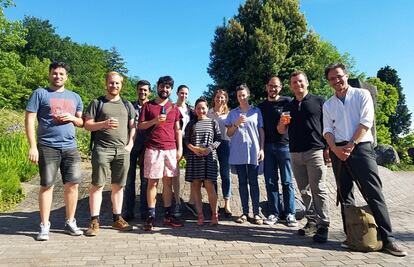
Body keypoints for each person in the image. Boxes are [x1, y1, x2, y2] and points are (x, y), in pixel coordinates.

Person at [323, 63, 407, 257]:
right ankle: (352, 236)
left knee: (373, 192)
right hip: (338, 150)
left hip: (361, 147)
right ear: (328, 82)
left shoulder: (362, 95)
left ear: (346, 75)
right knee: (344, 194)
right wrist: (335, 149)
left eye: (339, 76)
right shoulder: (328, 104)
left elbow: (366, 121)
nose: (336, 81)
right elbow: (327, 129)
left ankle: (388, 239)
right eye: (332, 79)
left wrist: (351, 144)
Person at [25, 61, 84, 241]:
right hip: (47, 146)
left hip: (70, 147)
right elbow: (29, 120)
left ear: (66, 76)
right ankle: (44, 226)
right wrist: (33, 146)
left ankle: (70, 222)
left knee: (73, 185)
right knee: (47, 185)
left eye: (61, 74)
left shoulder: (75, 97)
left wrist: (72, 118)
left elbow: (81, 123)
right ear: (49, 74)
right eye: (55, 73)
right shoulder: (40, 93)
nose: (58, 76)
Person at [277, 71, 330, 243]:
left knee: (318, 189)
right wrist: (282, 123)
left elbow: (328, 126)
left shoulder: (319, 101)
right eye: (294, 82)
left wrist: (328, 147)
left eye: (300, 81)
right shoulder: (289, 106)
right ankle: (312, 221)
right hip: (295, 152)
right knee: (305, 190)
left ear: (306, 83)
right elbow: (280, 131)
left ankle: (324, 225)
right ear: (291, 86)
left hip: (315, 151)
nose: (297, 84)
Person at [83, 71, 136, 236]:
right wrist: (104, 123)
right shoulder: (97, 103)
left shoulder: (127, 105)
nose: (114, 86)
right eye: (111, 83)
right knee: (97, 185)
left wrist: (130, 145)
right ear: (106, 83)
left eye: (117, 83)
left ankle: (117, 219)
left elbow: (133, 127)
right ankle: (94, 221)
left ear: (122, 85)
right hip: (102, 149)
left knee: (118, 186)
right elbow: (87, 125)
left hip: (122, 151)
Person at [139, 75, 183, 231]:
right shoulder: (148, 106)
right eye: (162, 86)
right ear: (157, 87)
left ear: (171, 89)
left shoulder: (175, 108)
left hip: (170, 149)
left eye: (168, 87)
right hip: (153, 148)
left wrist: (180, 148)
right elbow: (141, 126)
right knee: (152, 183)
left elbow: (177, 130)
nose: (165, 89)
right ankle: (151, 216)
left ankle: (167, 215)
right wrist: (155, 121)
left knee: (168, 183)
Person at [258, 76, 297, 227]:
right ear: (266, 87)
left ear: (280, 87)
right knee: (270, 181)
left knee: (287, 181)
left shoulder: (287, 102)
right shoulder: (261, 106)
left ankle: (290, 213)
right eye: (270, 86)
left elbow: (288, 124)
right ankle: (273, 213)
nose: (273, 89)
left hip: (284, 146)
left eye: (276, 86)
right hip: (267, 147)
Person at [225, 84, 265, 225]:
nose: (241, 98)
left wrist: (261, 149)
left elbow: (261, 131)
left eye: (243, 95)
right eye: (239, 96)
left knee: (254, 183)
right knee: (242, 183)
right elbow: (228, 133)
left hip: (254, 151)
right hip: (239, 153)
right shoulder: (233, 113)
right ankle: (244, 212)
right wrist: (236, 124)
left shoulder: (256, 111)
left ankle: (256, 213)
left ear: (248, 95)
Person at [185, 97, 221, 226]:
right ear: (195, 109)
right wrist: (193, 149)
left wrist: (209, 149)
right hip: (195, 158)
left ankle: (214, 215)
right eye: (198, 108)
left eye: (203, 108)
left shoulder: (213, 122)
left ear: (207, 108)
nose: (201, 110)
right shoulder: (191, 124)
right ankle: (200, 215)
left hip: (209, 158)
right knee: (195, 186)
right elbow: (186, 140)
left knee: (210, 186)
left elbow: (218, 139)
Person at [123, 80, 151, 222]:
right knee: (129, 181)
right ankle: (128, 211)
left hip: (147, 147)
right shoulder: (129, 106)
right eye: (140, 89)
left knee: (146, 182)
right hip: (131, 146)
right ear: (137, 90)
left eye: (145, 90)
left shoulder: (152, 107)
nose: (142, 92)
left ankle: (145, 212)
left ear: (149, 92)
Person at [207, 89, 232, 217]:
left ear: (225, 99)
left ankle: (227, 202)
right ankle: (214, 202)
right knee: (213, 175)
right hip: (212, 145)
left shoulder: (229, 114)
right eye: (218, 97)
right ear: (214, 98)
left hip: (225, 144)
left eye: (222, 97)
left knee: (225, 175)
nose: (220, 99)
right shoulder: (208, 112)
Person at [174, 84, 195, 217]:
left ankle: (192, 202)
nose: (184, 95)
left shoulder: (191, 110)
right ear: (177, 93)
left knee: (193, 171)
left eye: (186, 93)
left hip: (190, 142)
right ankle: (177, 202)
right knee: (175, 172)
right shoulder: (171, 108)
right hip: (175, 142)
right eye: (182, 93)